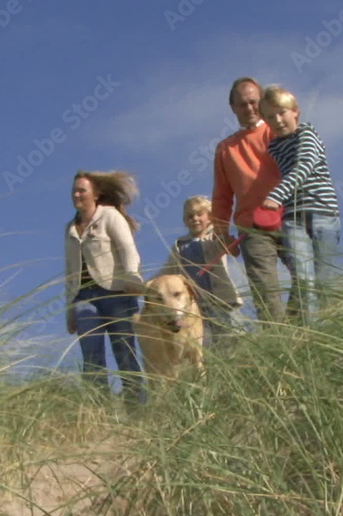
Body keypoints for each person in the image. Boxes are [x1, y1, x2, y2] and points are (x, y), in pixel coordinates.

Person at [211, 76, 293, 323]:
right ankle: (279, 344)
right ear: (233, 108)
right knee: (266, 296)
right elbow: (222, 196)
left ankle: (300, 328)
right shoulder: (226, 149)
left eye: (253, 102)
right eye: (243, 104)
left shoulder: (278, 131)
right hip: (253, 229)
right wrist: (222, 234)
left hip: (290, 218)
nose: (249, 108)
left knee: (309, 279)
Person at [258, 85, 341, 322]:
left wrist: (276, 195)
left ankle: (328, 331)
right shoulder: (274, 147)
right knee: (304, 281)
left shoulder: (307, 132)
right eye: (270, 117)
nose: (278, 120)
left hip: (322, 213)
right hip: (293, 219)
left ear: (295, 111)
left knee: (323, 280)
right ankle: (313, 336)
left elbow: (304, 166)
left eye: (282, 113)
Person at [64, 170, 147, 404]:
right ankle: (99, 413)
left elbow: (127, 249)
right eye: (74, 191)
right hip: (84, 298)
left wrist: (132, 277)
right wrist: (69, 308)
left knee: (125, 353)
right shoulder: (70, 229)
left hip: (117, 294)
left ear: (96, 194)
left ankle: (137, 410)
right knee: (91, 357)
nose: (77, 195)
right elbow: (70, 272)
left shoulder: (109, 216)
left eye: (82, 190)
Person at [158, 195, 243, 344]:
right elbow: (168, 269)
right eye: (190, 216)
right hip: (197, 305)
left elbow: (231, 250)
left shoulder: (215, 236)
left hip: (222, 300)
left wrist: (226, 238)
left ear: (209, 217)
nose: (195, 219)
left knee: (232, 337)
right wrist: (150, 284)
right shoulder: (180, 245)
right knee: (205, 342)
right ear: (185, 221)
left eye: (199, 214)